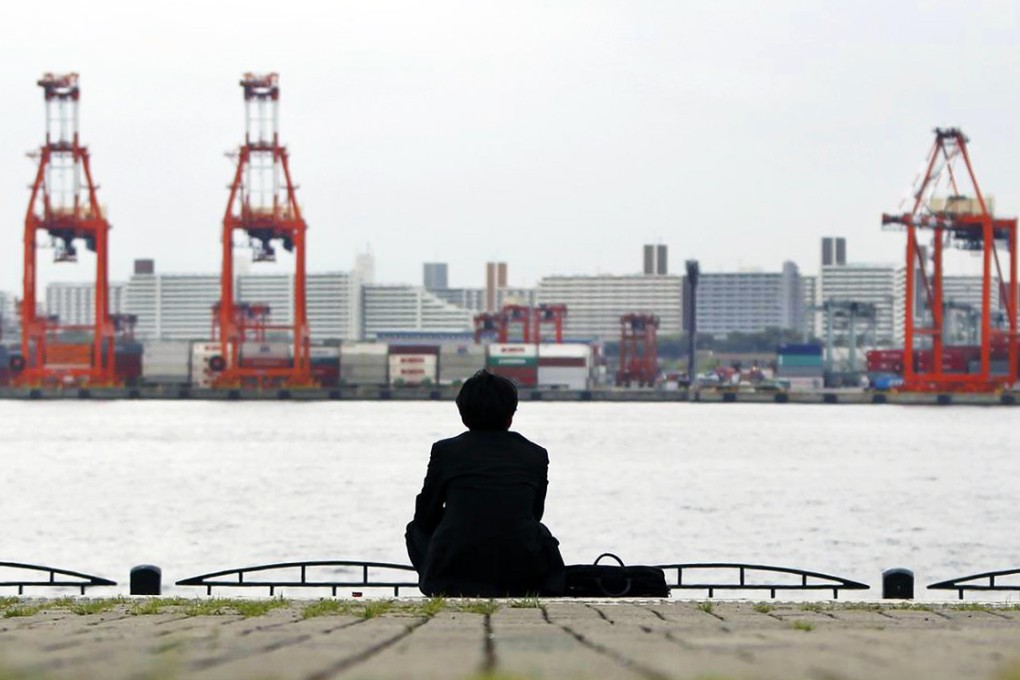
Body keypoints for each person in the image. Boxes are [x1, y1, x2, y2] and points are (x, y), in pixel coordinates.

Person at [405, 370, 565, 597]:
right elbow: (534, 513)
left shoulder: (446, 451)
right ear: (511, 415)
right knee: (537, 529)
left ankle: (438, 579)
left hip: (453, 575)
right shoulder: (535, 454)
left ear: (463, 415)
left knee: (415, 529)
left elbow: (425, 515)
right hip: (521, 576)